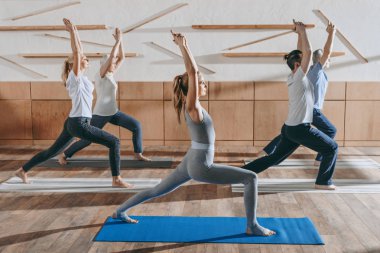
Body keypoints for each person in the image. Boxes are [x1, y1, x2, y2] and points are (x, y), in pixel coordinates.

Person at [112, 31, 275, 236]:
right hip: (200, 164)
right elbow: (193, 72)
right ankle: (252, 226)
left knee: (156, 191)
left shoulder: (193, 108)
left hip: (191, 159)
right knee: (251, 178)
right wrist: (183, 46)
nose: (204, 85)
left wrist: (185, 45)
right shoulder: (193, 107)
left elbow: (193, 74)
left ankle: (119, 211)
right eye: (201, 83)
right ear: (193, 89)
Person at [0, 19, 130, 188]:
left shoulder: (83, 79)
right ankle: (116, 179)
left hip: (73, 122)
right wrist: (73, 32)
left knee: (52, 151)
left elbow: (82, 54)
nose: (85, 58)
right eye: (83, 58)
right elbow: (77, 52)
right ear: (73, 64)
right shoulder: (74, 78)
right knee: (114, 142)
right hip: (79, 122)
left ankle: (23, 170)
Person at [243, 21, 338, 190]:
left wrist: (300, 35)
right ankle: (323, 182)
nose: (307, 64)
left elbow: (303, 53)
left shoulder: (293, 77)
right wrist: (303, 31)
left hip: (289, 129)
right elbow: (307, 52)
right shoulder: (301, 77)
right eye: (304, 62)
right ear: (297, 65)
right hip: (299, 129)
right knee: (332, 147)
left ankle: (240, 173)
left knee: (274, 159)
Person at [58, 27, 150, 165]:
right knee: (87, 139)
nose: (113, 63)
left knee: (136, 125)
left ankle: (138, 153)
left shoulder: (111, 74)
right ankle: (64, 154)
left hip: (113, 112)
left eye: (113, 63)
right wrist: (116, 43)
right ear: (104, 65)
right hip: (101, 113)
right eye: (110, 63)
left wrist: (121, 40)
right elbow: (113, 56)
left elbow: (121, 57)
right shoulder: (100, 75)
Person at [260, 22, 337, 167]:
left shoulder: (308, 71)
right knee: (331, 130)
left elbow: (300, 50)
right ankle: (320, 159)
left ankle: (267, 150)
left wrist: (300, 35)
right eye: (327, 59)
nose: (329, 60)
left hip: (308, 110)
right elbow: (326, 51)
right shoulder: (316, 70)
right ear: (320, 59)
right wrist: (332, 33)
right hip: (312, 110)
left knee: (289, 133)